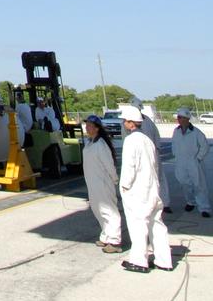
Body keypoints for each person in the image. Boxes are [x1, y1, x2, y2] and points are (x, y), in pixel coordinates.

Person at [118, 104, 172, 273]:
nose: (123, 124)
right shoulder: (147, 140)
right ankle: (164, 261)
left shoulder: (131, 141)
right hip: (152, 188)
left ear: (130, 123)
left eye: (124, 121)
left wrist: (125, 186)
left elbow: (129, 167)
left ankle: (139, 261)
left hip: (138, 190)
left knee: (138, 225)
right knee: (156, 224)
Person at [82, 115, 122, 252]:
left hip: (103, 182)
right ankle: (106, 236)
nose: (87, 128)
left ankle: (115, 240)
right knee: (97, 209)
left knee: (109, 210)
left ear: (97, 128)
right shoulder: (89, 143)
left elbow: (109, 164)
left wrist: (114, 178)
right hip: (92, 182)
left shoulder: (101, 144)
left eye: (90, 125)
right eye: (86, 125)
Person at [172, 107, 211, 217]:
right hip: (181, 162)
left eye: (181, 117)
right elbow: (174, 144)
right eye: (178, 117)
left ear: (187, 119)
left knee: (199, 185)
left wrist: (198, 158)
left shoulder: (196, 132)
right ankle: (190, 201)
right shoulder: (176, 131)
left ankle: (204, 208)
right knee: (184, 183)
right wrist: (176, 155)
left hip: (194, 162)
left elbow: (204, 146)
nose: (178, 119)